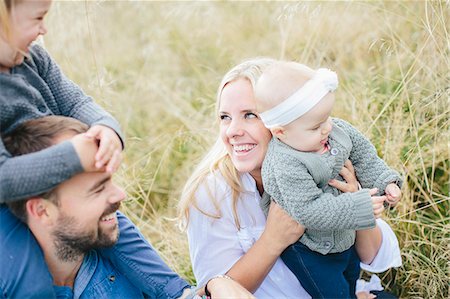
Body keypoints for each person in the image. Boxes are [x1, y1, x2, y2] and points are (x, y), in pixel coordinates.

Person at [0, 0, 186, 297]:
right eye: (37, 18)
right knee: (27, 276)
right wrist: (75, 155)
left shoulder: (33, 59)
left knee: (116, 228)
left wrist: (105, 127)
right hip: (6, 209)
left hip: (58, 183)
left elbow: (75, 101)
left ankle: (178, 292)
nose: (43, 29)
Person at [178, 58, 402, 298]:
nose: (233, 130)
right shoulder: (211, 195)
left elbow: (373, 256)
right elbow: (213, 290)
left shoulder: (319, 156)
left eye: (250, 115)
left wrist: (353, 200)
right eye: (225, 117)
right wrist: (273, 239)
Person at [2, 115, 255, 299]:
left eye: (111, 180)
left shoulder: (116, 259)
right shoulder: (17, 283)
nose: (120, 194)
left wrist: (216, 286)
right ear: (42, 211)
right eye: (98, 189)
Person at [251, 61, 403, 298]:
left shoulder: (333, 131)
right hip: (311, 250)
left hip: (344, 236)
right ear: (280, 131)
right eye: (315, 127)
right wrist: (358, 205)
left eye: (327, 118)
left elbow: (364, 156)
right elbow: (309, 209)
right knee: (332, 292)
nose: (327, 129)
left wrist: (385, 182)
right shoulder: (284, 163)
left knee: (351, 275)